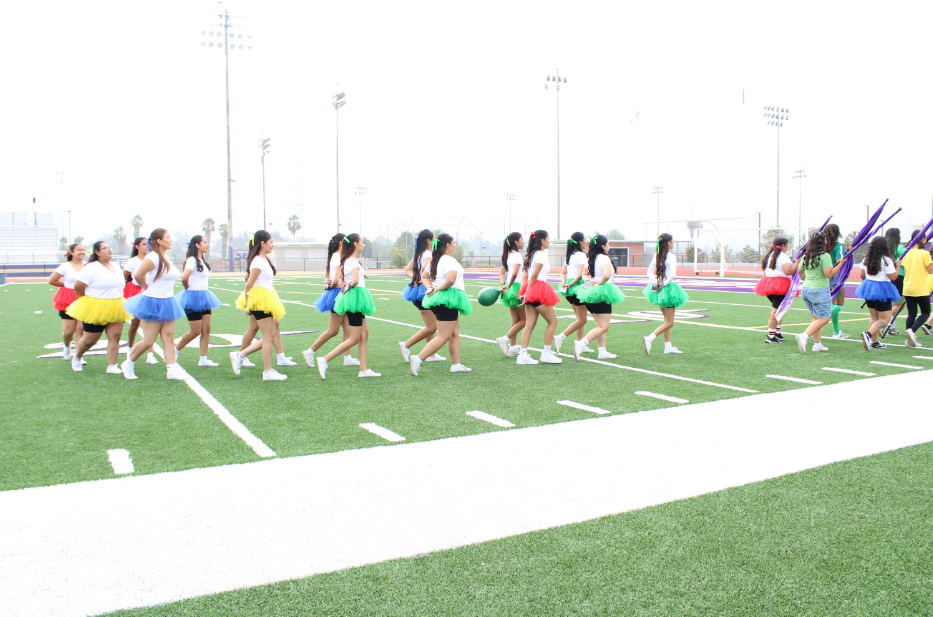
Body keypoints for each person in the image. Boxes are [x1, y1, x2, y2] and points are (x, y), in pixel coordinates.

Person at [121, 228, 186, 380]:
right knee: (149, 340)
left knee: (168, 337)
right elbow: (137, 275)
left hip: (168, 301)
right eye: (168, 237)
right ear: (159, 241)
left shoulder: (166, 257)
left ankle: (171, 370)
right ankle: (129, 363)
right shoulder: (153, 256)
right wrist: (145, 288)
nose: (171, 240)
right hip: (152, 301)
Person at [317, 233, 380, 378]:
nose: (364, 244)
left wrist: (346, 282)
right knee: (354, 338)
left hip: (354, 298)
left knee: (364, 334)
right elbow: (355, 281)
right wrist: (349, 284)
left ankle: (363, 370)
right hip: (355, 298)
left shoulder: (348, 261)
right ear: (356, 244)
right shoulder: (352, 261)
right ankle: (325, 359)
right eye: (362, 242)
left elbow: (342, 278)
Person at [230, 230, 290, 380]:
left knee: (268, 335)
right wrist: (247, 304)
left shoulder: (262, 259)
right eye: (270, 242)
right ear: (262, 243)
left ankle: (241, 356)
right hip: (260, 299)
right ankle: (265, 370)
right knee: (268, 336)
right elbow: (249, 284)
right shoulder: (257, 260)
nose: (273, 245)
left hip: (265, 298)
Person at [410, 233, 473, 376]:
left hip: (440, 299)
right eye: (453, 243)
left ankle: (456, 365)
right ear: (448, 245)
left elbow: (424, 277)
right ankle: (418, 358)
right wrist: (436, 288)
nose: (455, 245)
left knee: (454, 333)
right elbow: (450, 280)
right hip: (447, 299)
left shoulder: (435, 260)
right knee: (444, 336)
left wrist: (430, 288)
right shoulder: (448, 260)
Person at [66, 241, 130, 373]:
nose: (109, 250)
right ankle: (77, 356)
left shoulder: (116, 266)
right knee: (90, 340)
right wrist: (84, 299)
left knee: (115, 336)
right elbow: (78, 286)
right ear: (97, 252)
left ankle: (112, 365)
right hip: (96, 306)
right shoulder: (91, 267)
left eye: (110, 248)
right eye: (105, 248)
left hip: (116, 305)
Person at [303, 233, 357, 368]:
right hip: (338, 294)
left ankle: (348, 357)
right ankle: (310, 351)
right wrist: (338, 285)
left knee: (347, 328)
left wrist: (330, 284)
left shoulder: (336, 256)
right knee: (333, 330)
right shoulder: (338, 257)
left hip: (339, 292)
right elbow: (337, 278)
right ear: (340, 243)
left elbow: (331, 278)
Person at [573, 234, 624, 360]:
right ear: (603, 246)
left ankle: (602, 351)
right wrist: (599, 283)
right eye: (608, 244)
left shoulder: (590, 257)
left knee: (600, 325)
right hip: (601, 292)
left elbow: (584, 274)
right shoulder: (604, 258)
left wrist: (590, 283)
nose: (609, 246)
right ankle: (581, 343)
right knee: (603, 326)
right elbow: (606, 275)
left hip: (590, 293)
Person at [398, 229, 445, 363]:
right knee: (432, 326)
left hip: (416, 290)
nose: (436, 240)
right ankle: (406, 345)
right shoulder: (428, 255)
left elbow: (407, 269)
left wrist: (416, 277)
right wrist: (420, 277)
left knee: (430, 323)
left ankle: (431, 354)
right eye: (434, 238)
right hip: (424, 292)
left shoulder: (419, 254)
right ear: (429, 240)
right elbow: (425, 268)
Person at [174, 235, 222, 366]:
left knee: (206, 328)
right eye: (205, 242)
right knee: (195, 331)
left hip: (205, 296)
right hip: (192, 297)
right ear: (197, 245)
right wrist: (188, 289)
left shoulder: (202, 260)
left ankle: (203, 359)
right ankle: (175, 351)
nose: (207, 244)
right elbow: (184, 277)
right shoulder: (192, 260)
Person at [516, 230, 562, 364]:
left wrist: (525, 292)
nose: (549, 241)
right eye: (548, 238)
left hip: (531, 289)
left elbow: (529, 275)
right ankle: (546, 353)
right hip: (537, 289)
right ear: (542, 240)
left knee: (529, 324)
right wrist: (526, 293)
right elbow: (534, 276)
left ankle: (523, 355)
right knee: (553, 321)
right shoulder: (541, 255)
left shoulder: (533, 254)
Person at [794, 231, 844, 353]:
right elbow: (829, 274)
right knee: (824, 318)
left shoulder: (806, 255)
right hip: (819, 290)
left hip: (806, 289)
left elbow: (800, 271)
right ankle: (804, 336)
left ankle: (817, 344)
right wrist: (840, 264)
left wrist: (807, 280)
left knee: (816, 318)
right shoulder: (824, 256)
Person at [642, 233, 689, 355]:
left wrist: (656, 283)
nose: (673, 243)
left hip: (659, 289)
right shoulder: (671, 256)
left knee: (666, 320)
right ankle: (649, 338)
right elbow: (673, 274)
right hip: (668, 289)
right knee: (670, 322)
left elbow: (648, 272)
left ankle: (668, 346)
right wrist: (665, 284)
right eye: (673, 241)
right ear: (668, 243)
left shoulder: (657, 255)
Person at [553, 231, 595, 355]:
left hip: (570, 289)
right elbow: (582, 274)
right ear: (581, 241)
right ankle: (560, 337)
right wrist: (570, 284)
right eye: (585, 240)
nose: (586, 242)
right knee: (582, 319)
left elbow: (562, 273)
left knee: (580, 319)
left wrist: (565, 283)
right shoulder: (582, 255)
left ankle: (580, 343)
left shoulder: (570, 255)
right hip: (578, 287)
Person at [856, 236, 900, 351]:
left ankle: (875, 342)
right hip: (883, 289)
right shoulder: (886, 260)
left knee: (874, 317)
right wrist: (898, 265)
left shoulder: (866, 259)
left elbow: (862, 275)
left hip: (869, 288)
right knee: (885, 318)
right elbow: (893, 277)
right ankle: (869, 334)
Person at [753, 237, 799, 343]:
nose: (787, 247)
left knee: (780, 310)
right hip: (779, 286)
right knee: (776, 311)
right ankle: (771, 336)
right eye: (787, 245)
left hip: (768, 284)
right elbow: (788, 271)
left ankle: (776, 332)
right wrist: (796, 263)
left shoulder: (770, 255)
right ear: (783, 245)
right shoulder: (783, 256)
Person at [123, 236, 159, 364]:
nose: (146, 246)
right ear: (137, 246)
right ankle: (130, 349)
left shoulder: (153, 258)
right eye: (143, 244)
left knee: (149, 323)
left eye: (147, 244)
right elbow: (124, 277)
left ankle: (150, 354)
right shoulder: (133, 261)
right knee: (134, 325)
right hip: (135, 292)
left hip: (150, 292)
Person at [48, 243, 86, 361]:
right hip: (67, 299)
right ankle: (66, 346)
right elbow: (52, 280)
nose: (82, 252)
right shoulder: (65, 266)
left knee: (81, 329)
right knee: (68, 331)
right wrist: (67, 285)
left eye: (83, 250)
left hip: (84, 299)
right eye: (79, 250)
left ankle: (78, 356)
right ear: (71, 252)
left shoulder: (88, 266)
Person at [494, 232, 527, 357]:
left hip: (510, 288)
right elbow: (514, 273)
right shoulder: (517, 255)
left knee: (516, 319)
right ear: (516, 242)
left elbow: (502, 272)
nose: (524, 242)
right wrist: (508, 285)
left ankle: (513, 348)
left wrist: (504, 285)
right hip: (517, 287)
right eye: (522, 239)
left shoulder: (508, 255)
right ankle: (505, 339)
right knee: (525, 320)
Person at [900, 230, 933, 348]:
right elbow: (930, 270)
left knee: (911, 314)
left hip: (908, 287)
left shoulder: (907, 253)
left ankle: (909, 340)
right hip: (920, 287)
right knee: (925, 312)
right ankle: (912, 331)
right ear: (923, 239)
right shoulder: (924, 254)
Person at [824, 224, 848, 339]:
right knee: (839, 305)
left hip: (824, 274)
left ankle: (836, 332)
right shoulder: (839, 245)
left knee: (833, 304)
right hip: (835, 275)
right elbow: (839, 261)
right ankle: (818, 322)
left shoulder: (822, 246)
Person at [884, 228, 905, 335]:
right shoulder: (900, 248)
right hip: (899, 276)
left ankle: (891, 327)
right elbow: (906, 263)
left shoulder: (885, 249)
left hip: (888, 277)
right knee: (899, 304)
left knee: (893, 304)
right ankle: (884, 323)